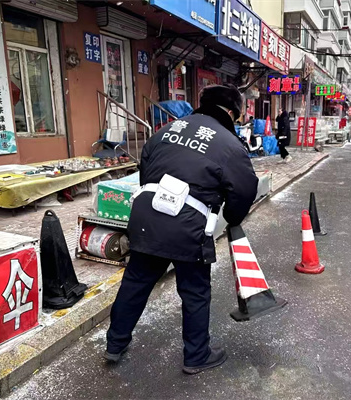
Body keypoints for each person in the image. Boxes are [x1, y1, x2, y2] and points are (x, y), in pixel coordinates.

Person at [105, 85, 259, 374]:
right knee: (194, 290)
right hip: (187, 225)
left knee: (136, 282)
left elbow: (145, 169)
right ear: (231, 112)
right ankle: (196, 355)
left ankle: (115, 344)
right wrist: (233, 217)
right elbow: (244, 188)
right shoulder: (229, 144)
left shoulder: (167, 130)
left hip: (146, 216)